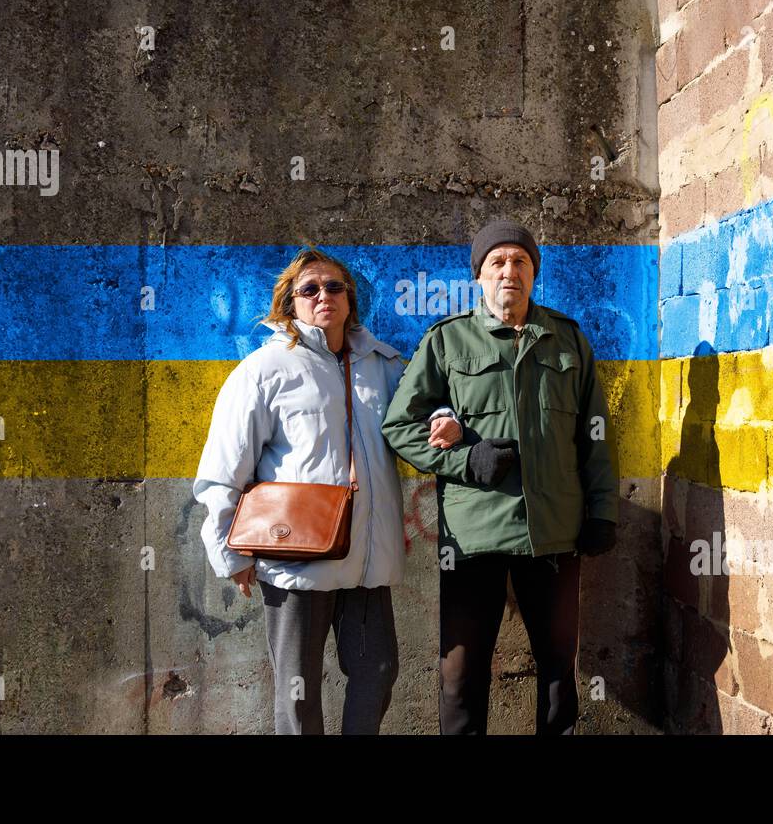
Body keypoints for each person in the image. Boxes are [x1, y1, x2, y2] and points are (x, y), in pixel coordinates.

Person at [193, 246, 461, 734]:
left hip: (366, 560)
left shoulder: (384, 365)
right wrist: (232, 555)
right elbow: (222, 470)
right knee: (297, 689)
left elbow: (423, 412)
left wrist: (445, 419)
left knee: (378, 672)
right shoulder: (264, 370)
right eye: (309, 288)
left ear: (350, 298)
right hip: (297, 560)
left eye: (335, 286)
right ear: (289, 304)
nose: (324, 296)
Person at [382, 219, 620, 735]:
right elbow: (398, 425)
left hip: (554, 534)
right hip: (472, 540)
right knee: (461, 675)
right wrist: (466, 461)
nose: (509, 271)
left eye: (520, 262)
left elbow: (595, 437)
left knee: (559, 673)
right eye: (498, 262)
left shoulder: (568, 340)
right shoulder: (447, 342)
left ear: (534, 273)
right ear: (479, 276)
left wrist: (601, 511)